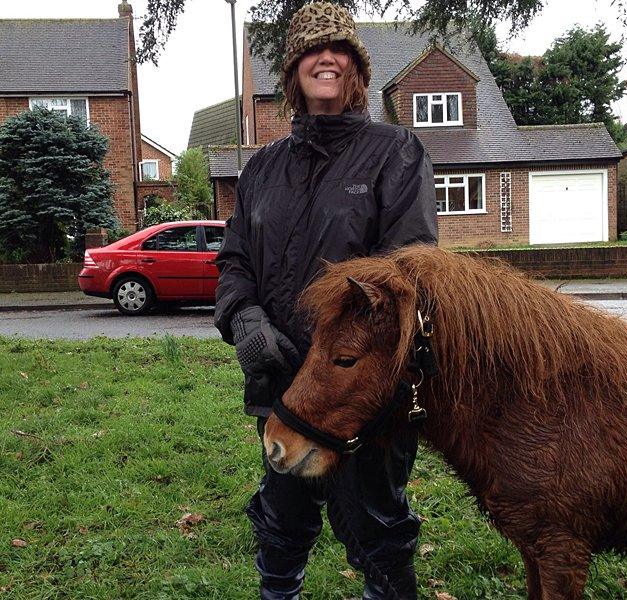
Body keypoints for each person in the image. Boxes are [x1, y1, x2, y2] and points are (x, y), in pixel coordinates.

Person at [214, 3, 437, 598]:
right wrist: (245, 319)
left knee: (376, 525)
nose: (328, 59)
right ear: (293, 71)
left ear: (357, 70)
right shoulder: (261, 169)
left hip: (358, 394)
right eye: (314, 50)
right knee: (282, 519)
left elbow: (405, 273)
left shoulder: (396, 153)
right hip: (280, 386)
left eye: (341, 50)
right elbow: (234, 261)